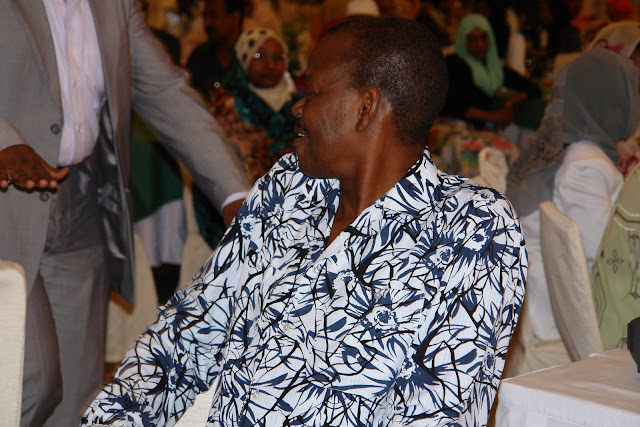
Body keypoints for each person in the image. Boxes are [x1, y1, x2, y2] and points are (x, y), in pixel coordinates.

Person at [82, 16, 527, 426]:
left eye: (312, 92)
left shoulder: (470, 229)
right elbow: (187, 335)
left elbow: (438, 411)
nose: (297, 107)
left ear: (365, 108)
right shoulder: (289, 188)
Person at [0, 1, 251, 426]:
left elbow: (163, 90)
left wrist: (235, 195)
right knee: (31, 381)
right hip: (7, 197)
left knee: (76, 398)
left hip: (82, 203)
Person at [506, 47, 640, 375]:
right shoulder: (586, 165)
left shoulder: (556, 147)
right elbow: (602, 253)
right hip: (562, 318)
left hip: (538, 303)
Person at [194, 27, 301, 249]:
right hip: (239, 213)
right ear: (243, 58)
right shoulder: (225, 109)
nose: (270, 65)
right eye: (259, 56)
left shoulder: (301, 108)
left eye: (278, 57)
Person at [440, 13, 541, 130]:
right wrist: (494, 117)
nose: (480, 44)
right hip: (456, 127)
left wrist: (509, 104)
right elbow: (450, 105)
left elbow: (533, 88)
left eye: (483, 37)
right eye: (472, 39)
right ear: (463, 41)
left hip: (484, 127)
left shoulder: (494, 66)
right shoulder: (453, 63)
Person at [185, 0, 246, 102]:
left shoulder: (253, 56)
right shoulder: (198, 57)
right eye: (205, 16)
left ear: (235, 18)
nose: (207, 23)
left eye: (213, 16)